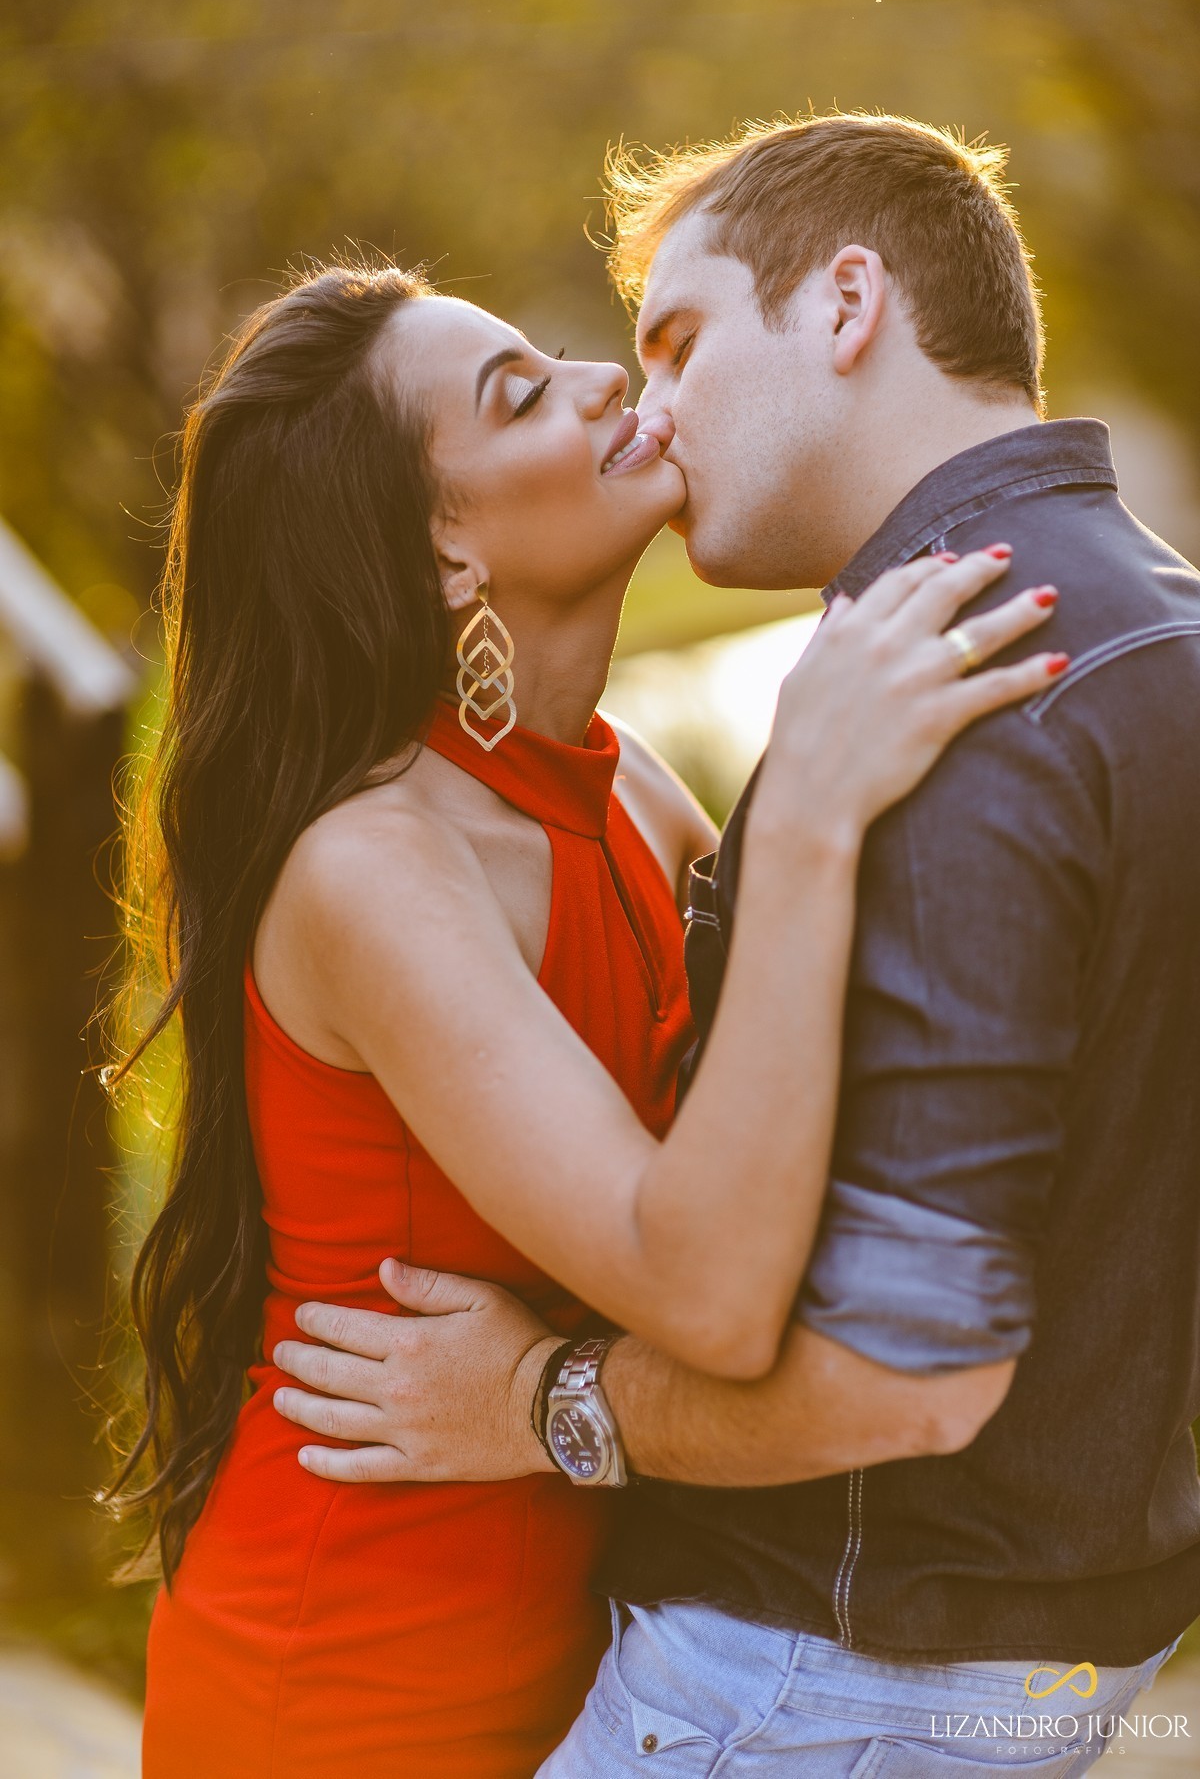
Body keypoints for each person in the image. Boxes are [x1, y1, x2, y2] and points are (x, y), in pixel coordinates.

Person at [279, 116, 1200, 1773]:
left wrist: (535, 1401)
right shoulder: (1154, 629)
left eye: (678, 340)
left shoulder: (947, 694)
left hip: (813, 1678)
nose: (647, 400)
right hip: (1001, 1661)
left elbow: (903, 1377)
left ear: (848, 304)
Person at [107, 252, 1057, 1779]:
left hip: (607, 1666)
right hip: (347, 1686)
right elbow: (711, 1288)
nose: (610, 377)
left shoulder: (629, 787)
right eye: (522, 395)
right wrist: (805, 796)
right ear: (446, 552)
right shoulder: (373, 864)